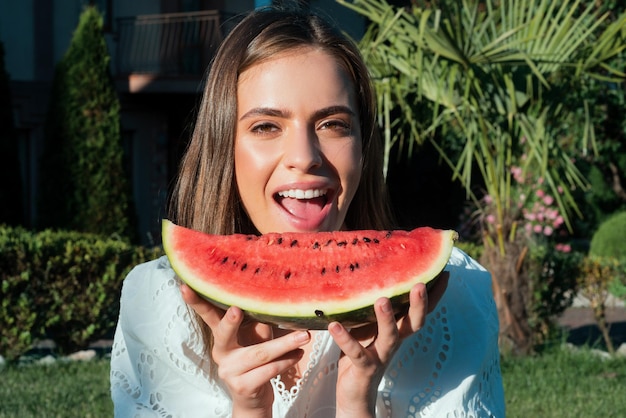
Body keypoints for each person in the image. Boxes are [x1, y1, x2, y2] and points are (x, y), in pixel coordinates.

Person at [110, 6, 505, 417]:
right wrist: (250, 409)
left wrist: (357, 403)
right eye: (265, 126)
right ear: (223, 146)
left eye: (333, 124)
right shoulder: (158, 304)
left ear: (363, 148)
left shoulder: (455, 293)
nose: (304, 157)